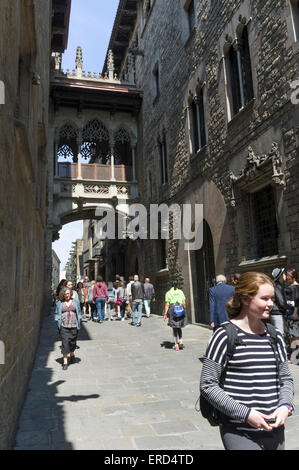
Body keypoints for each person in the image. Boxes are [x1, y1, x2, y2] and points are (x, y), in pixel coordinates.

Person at [200, 271, 294, 450]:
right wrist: (246, 414)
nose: (270, 304)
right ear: (245, 299)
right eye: (264, 298)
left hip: (275, 430)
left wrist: (285, 406)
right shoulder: (224, 335)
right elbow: (207, 384)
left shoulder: (275, 336)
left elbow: (286, 379)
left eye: (272, 298)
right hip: (239, 431)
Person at [55, 287, 82, 370]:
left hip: (74, 326)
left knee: (72, 343)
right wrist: (58, 323)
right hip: (64, 326)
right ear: (62, 294)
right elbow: (57, 314)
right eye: (65, 294)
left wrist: (79, 322)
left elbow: (79, 313)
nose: (67, 295)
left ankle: (72, 354)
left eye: (68, 293)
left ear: (70, 293)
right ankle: (65, 361)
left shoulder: (76, 302)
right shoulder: (59, 303)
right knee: (65, 343)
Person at [163, 280, 187, 350]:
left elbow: (167, 304)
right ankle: (181, 341)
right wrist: (184, 310)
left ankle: (176, 345)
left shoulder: (168, 293)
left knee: (174, 327)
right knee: (179, 326)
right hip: (180, 309)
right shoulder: (180, 292)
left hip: (173, 309)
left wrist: (165, 314)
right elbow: (184, 302)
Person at [271, 267, 289, 335]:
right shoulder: (277, 286)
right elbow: (281, 302)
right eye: (284, 274)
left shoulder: (278, 285)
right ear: (280, 276)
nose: (285, 275)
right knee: (280, 335)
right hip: (277, 313)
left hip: (278, 313)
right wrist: (289, 307)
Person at [285, 269, 299, 340]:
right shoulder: (293, 287)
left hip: (293, 314)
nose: (287, 277)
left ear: (293, 276)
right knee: (294, 336)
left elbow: (297, 299)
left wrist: (295, 313)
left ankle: (295, 351)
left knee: (294, 336)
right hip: (291, 314)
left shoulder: (295, 287)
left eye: (288, 276)